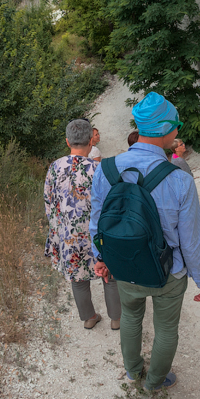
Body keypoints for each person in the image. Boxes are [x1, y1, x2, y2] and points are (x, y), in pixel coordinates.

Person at [90, 92, 200, 391]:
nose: (178, 132)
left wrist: (101, 258)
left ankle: (133, 372)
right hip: (168, 273)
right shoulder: (179, 179)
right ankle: (155, 381)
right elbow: (191, 238)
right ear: (166, 128)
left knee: (130, 318)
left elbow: (96, 221)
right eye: (177, 126)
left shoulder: (105, 170)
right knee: (166, 328)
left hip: (125, 266)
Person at [44, 118, 120, 330]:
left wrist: (56, 234)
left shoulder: (55, 168)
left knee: (78, 279)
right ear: (90, 141)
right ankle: (116, 319)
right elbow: (110, 205)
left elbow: (49, 204)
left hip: (69, 235)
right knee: (109, 275)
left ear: (67, 141)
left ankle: (89, 317)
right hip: (99, 235)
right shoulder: (100, 169)